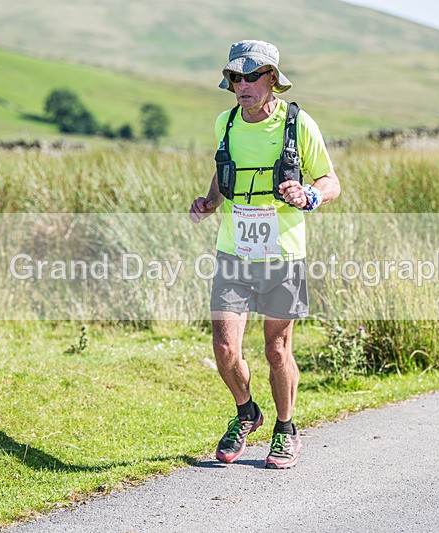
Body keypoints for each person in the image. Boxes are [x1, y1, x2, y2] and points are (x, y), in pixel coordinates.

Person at [189, 40, 340, 469]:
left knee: (276, 351)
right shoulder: (227, 122)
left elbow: (331, 180)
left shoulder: (297, 123)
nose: (243, 84)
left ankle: (286, 429)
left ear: (272, 78)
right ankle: (246, 413)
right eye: (236, 77)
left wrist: (309, 194)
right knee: (224, 348)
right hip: (233, 251)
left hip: (283, 254)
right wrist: (209, 201)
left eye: (252, 75)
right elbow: (223, 170)